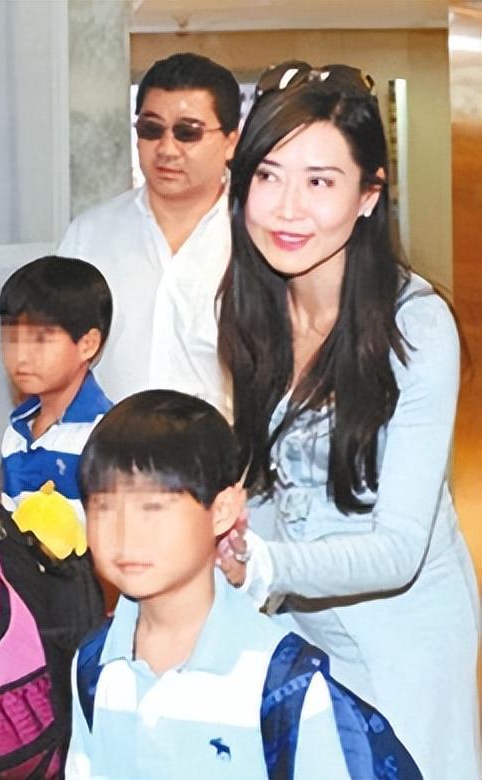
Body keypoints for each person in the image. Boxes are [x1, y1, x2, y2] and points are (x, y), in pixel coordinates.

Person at [216, 61, 481, 779]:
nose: (286, 209)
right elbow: (267, 480)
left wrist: (262, 565)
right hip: (296, 621)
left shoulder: (414, 325)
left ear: (368, 196)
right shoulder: (254, 305)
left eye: (320, 182)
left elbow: (399, 549)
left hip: (403, 636)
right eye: (268, 175)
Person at [65, 391, 379, 779]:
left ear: (223, 510)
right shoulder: (94, 664)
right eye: (103, 508)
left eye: (153, 509)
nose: (125, 534)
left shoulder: (281, 682)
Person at [58, 53, 239, 416]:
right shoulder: (90, 235)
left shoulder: (260, 236)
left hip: (226, 450)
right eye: (151, 130)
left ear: (231, 141)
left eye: (187, 133)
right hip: (107, 447)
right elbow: (56, 358)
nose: (167, 149)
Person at [0, 255, 113, 524]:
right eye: (11, 339)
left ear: (87, 344)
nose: (21, 356)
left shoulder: (104, 437)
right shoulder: (15, 433)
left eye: (40, 340)